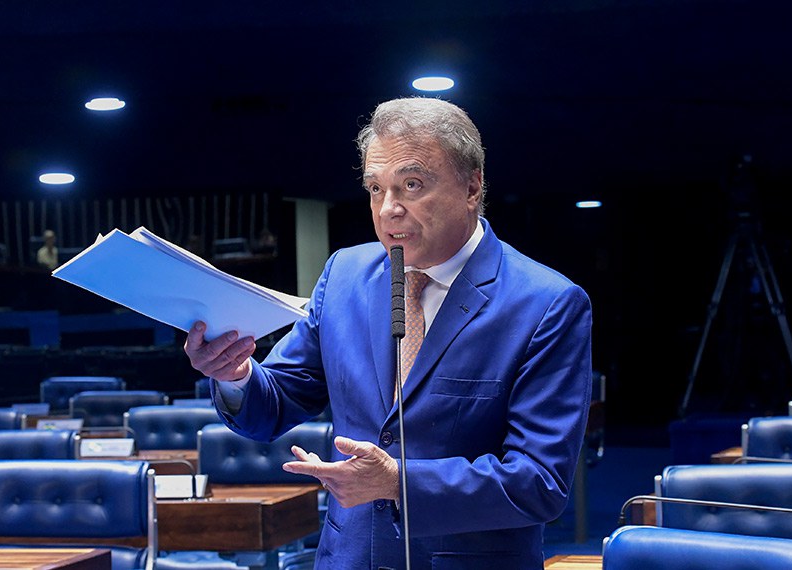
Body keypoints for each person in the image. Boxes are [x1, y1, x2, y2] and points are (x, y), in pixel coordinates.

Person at [184, 97, 593, 569]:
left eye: (411, 185)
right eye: (375, 189)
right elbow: (272, 406)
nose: (388, 210)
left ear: (472, 187)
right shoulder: (344, 275)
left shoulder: (546, 302)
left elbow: (540, 483)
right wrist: (235, 374)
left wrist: (398, 481)